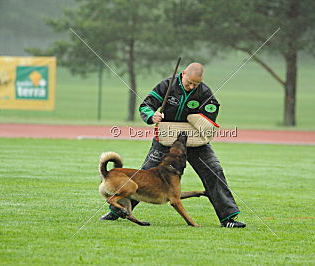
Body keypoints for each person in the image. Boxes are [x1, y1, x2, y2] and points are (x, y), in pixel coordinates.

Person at [101, 62, 246, 228]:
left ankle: (228, 218)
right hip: (165, 140)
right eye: (189, 83)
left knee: (214, 170)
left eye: (195, 84)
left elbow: (210, 116)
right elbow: (146, 105)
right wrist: (152, 116)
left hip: (194, 141)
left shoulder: (204, 92)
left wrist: (200, 119)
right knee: (144, 176)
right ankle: (116, 210)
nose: (191, 87)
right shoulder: (166, 86)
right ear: (183, 74)